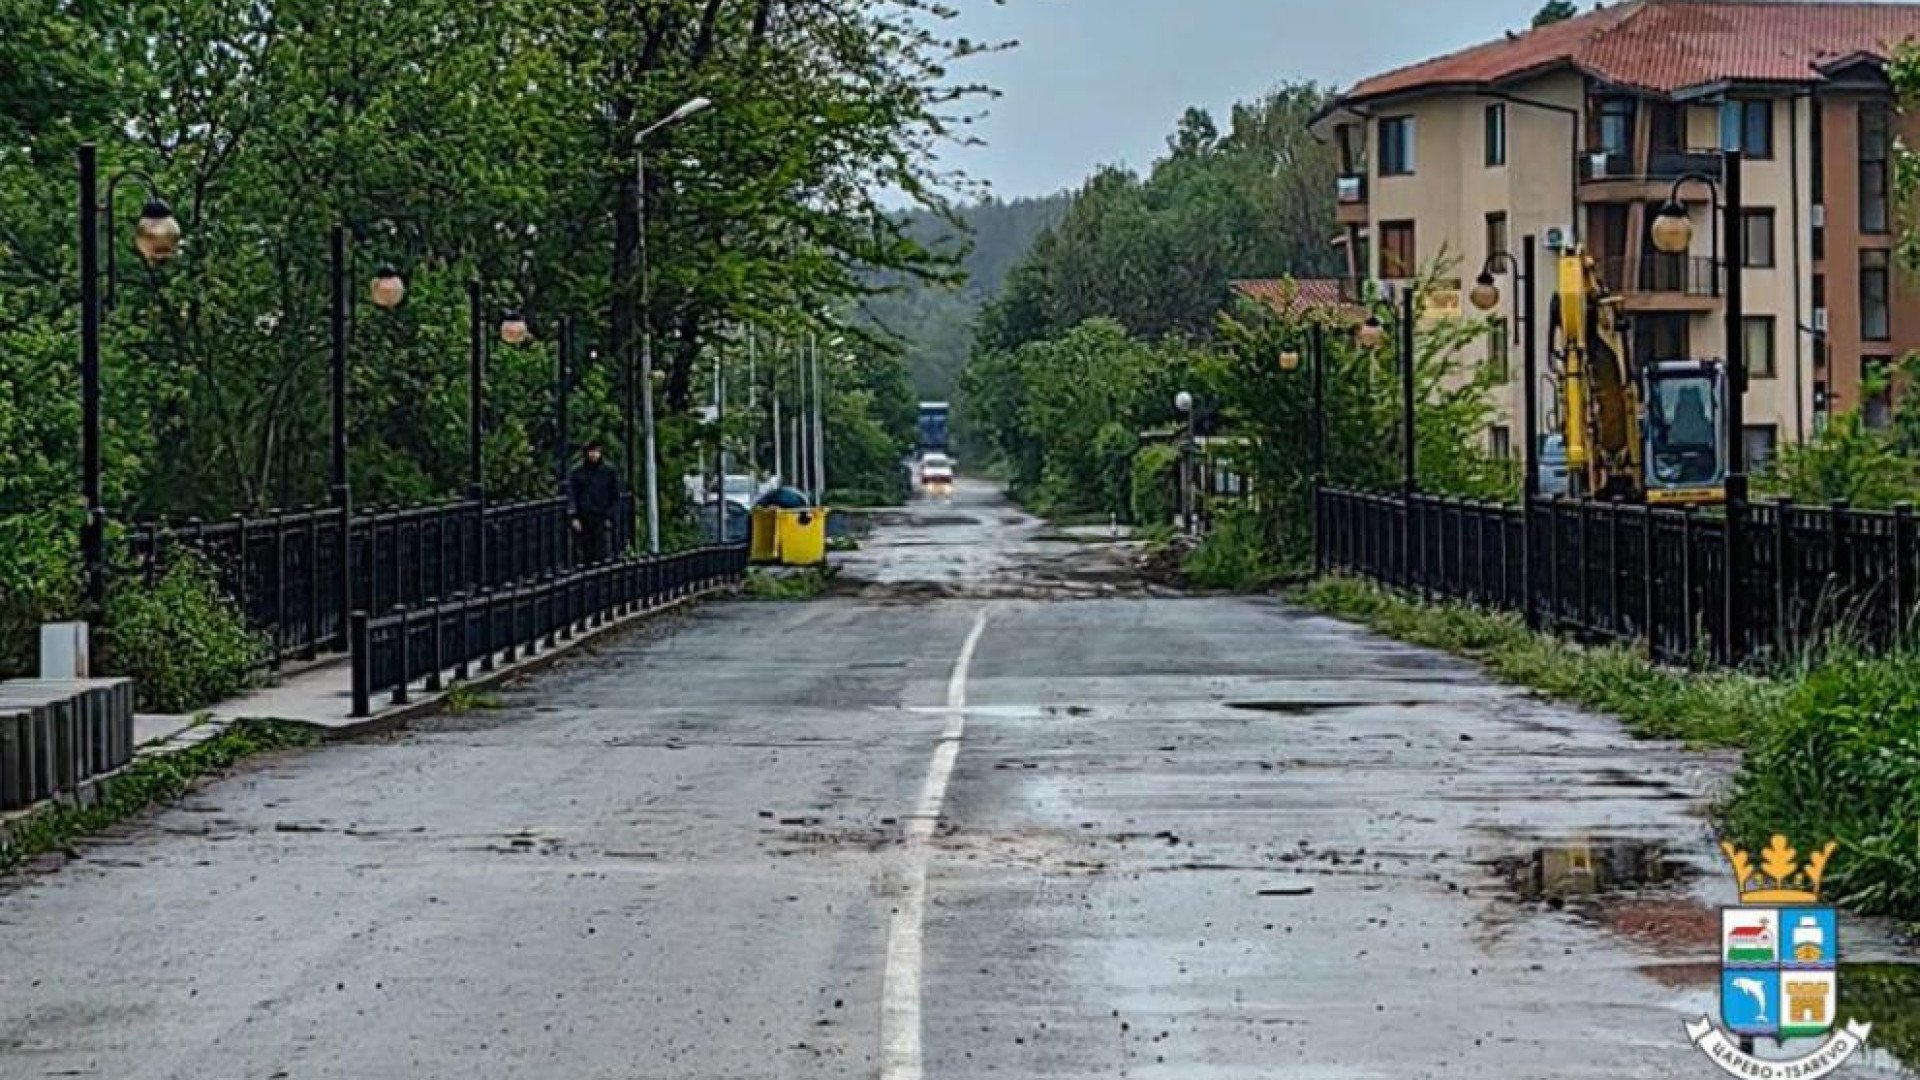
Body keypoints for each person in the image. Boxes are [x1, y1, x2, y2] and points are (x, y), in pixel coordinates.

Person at [568, 442, 621, 564]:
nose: (594, 455)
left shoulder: (609, 472)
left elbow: (615, 496)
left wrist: (610, 516)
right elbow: (572, 495)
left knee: (602, 551)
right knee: (584, 552)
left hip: (602, 516)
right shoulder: (578, 472)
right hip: (584, 517)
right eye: (591, 452)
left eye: (596, 452)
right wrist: (574, 516)